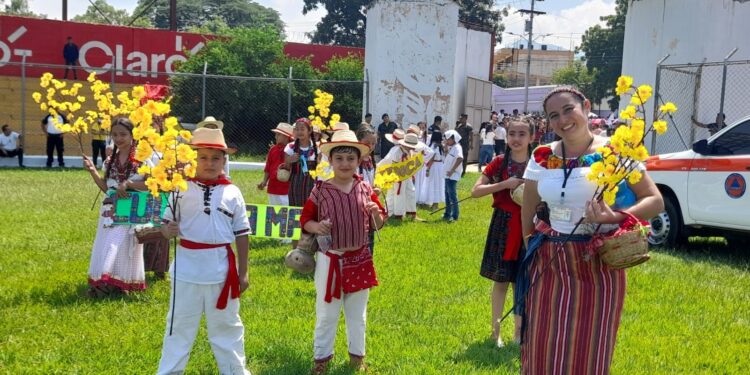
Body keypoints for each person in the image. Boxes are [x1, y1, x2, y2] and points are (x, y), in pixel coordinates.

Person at [519, 86, 664, 374]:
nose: (563, 119)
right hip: (550, 259)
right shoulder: (541, 155)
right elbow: (529, 205)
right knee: (542, 341)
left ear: (585, 106)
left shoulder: (617, 153)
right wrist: (528, 243)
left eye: (568, 109)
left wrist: (617, 217)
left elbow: (655, 200)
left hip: (597, 261)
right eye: (554, 115)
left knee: (590, 345)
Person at [156, 127, 252, 375]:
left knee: (227, 326)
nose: (209, 163)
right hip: (186, 271)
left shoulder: (232, 192)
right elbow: (165, 225)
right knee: (178, 326)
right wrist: (169, 230)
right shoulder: (180, 189)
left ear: (224, 160)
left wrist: (243, 272)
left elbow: (242, 233)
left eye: (216, 158)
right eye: (203, 157)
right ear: (192, 159)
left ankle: (234, 371)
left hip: (221, 271)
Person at [300, 130, 386, 374]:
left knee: (357, 314)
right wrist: (317, 226)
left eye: (351, 159)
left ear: (359, 161)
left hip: (359, 258)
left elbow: (379, 224)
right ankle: (321, 360)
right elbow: (305, 219)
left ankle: (357, 358)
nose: (345, 163)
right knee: (327, 313)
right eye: (340, 158)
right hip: (331, 260)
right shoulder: (321, 190)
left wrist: (375, 212)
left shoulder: (364, 188)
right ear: (330, 161)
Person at [471, 116, 532, 348]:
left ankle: (518, 332)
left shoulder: (540, 162)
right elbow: (476, 191)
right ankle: (495, 332)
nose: (516, 139)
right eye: (512, 134)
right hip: (503, 225)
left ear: (532, 137)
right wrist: (504, 185)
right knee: (501, 281)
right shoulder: (498, 162)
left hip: (530, 225)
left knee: (522, 281)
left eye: (522, 134)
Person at [82, 117, 150, 297]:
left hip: (130, 208)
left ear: (132, 135)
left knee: (120, 243)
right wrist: (93, 172)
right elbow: (107, 188)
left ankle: (116, 283)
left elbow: (152, 186)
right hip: (109, 209)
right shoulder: (110, 161)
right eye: (115, 134)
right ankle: (106, 282)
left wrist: (129, 184)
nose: (119, 138)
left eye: (123, 134)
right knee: (106, 243)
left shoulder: (142, 161)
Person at [285, 118, 319, 247]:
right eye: (297, 129)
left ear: (309, 131)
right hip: (295, 185)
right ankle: (295, 248)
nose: (299, 132)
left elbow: (321, 167)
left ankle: (310, 247)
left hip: (311, 186)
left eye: (302, 129)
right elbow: (285, 163)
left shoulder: (317, 148)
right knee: (295, 214)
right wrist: (290, 160)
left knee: (310, 214)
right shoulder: (291, 147)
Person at [378, 130, 424, 221]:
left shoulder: (409, 151)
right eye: (410, 146)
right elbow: (394, 167)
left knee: (411, 192)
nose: (412, 148)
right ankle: (398, 215)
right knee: (399, 193)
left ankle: (411, 214)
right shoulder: (397, 152)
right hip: (398, 177)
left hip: (407, 175)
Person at [420, 130, 445, 211]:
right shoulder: (441, 146)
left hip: (434, 166)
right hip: (440, 166)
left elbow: (431, 158)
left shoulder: (434, 146)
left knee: (432, 183)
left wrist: (428, 169)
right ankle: (435, 203)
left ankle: (433, 204)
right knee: (438, 184)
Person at [443, 129, 463, 222]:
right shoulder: (452, 147)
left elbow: (460, 158)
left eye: (448, 139)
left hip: (452, 176)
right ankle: (447, 213)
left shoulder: (457, 147)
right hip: (447, 175)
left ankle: (455, 215)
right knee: (447, 195)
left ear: (453, 139)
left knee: (452, 196)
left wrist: (452, 170)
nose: (447, 141)